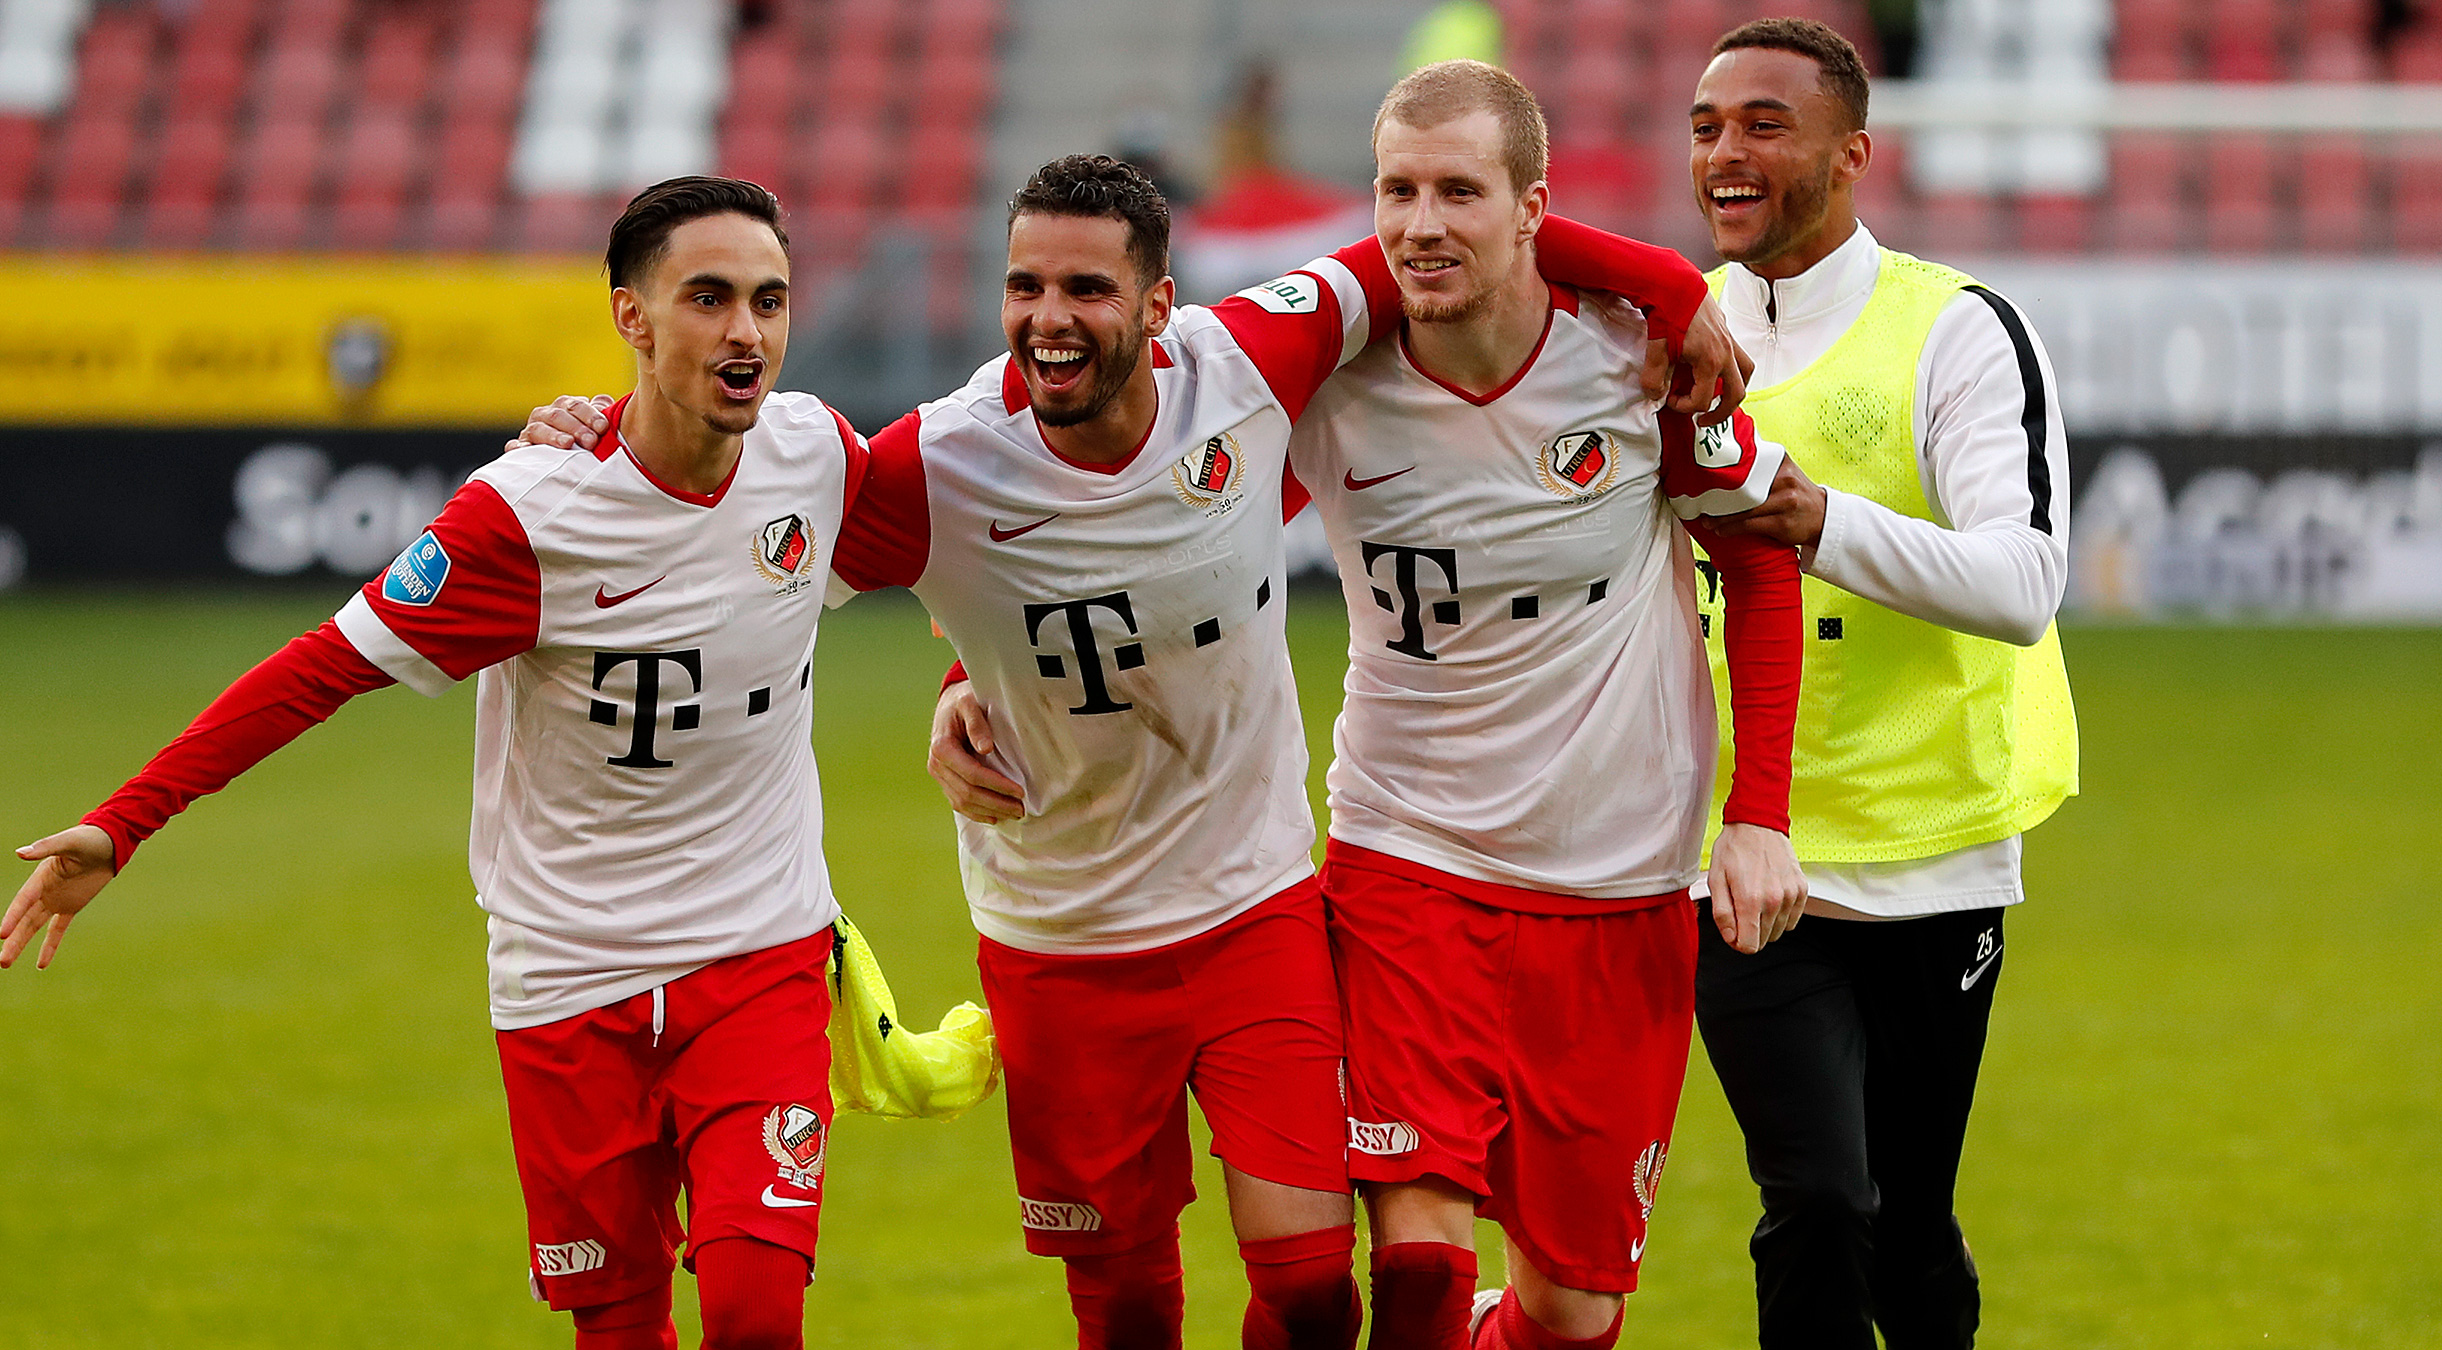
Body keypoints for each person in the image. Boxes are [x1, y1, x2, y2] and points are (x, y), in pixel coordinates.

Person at [539, 157, 1741, 1349]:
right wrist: (592, 440)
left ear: (1160, 306)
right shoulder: (940, 461)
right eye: (1024, 288)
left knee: (1320, 1287)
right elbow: (739, 526)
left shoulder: (1252, 361)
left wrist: (1672, 291)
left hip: (1252, 907)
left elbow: (1453, 238)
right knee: (1121, 1307)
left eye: (1086, 290)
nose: (1048, 321)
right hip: (1058, 937)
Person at [5, 176, 861, 1350]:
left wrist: (964, 683)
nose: (745, 332)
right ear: (631, 318)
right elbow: (321, 669)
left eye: (768, 300)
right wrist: (126, 821)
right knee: (617, 1328)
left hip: (756, 959)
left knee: (757, 1311)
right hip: (568, 981)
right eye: (707, 298)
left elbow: (966, 530)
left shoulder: (816, 453)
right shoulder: (526, 517)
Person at [1283, 59, 1807, 1350]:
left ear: (1532, 209)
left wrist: (1760, 813)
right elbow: (1136, 512)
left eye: (1458, 191)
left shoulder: (1638, 363)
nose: (1420, 224)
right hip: (1407, 856)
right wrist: (971, 675)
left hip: (1617, 887)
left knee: (1571, 1311)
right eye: (1395, 190)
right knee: (1411, 1266)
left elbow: (1754, 559)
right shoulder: (1319, 374)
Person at [1681, 20, 2080, 1350]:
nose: (1724, 153)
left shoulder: (1960, 331)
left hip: (1932, 853)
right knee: (1815, 1196)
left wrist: (1819, 522)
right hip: (1746, 849)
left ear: (1853, 154)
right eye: (1704, 126)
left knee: (1906, 1219)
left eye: (1761, 125)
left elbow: (2022, 580)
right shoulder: (1660, 344)